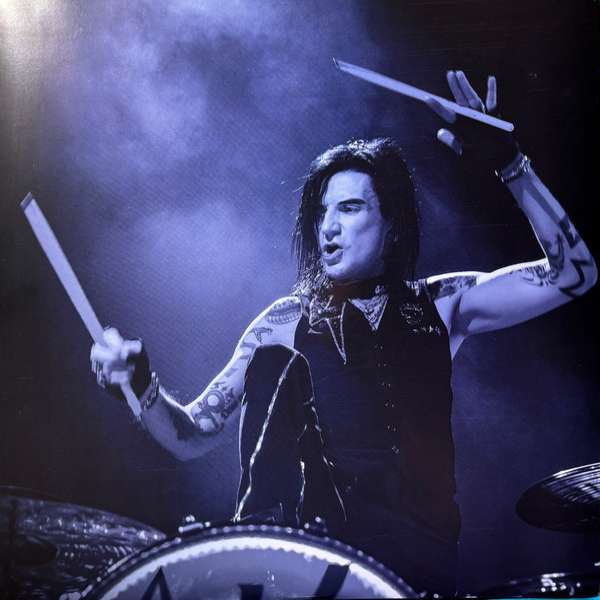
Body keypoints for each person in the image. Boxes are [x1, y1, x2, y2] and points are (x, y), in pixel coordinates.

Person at [90, 71, 597, 596]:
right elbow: (192, 435)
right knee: (273, 368)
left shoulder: (442, 303)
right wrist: (140, 383)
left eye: (350, 208)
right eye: (321, 213)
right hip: (316, 575)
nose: (328, 227)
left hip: (417, 579)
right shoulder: (285, 322)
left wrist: (510, 164)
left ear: (392, 224)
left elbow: (575, 274)